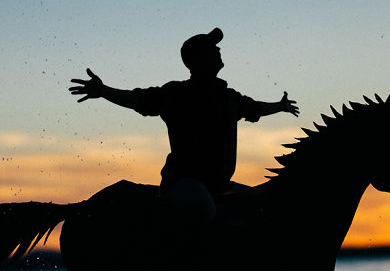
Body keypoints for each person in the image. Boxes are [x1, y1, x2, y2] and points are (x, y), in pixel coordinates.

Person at [70, 27, 298, 224]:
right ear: (199, 59)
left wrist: (280, 106)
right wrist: (104, 91)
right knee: (204, 210)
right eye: (212, 48)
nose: (219, 50)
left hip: (219, 185)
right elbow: (138, 100)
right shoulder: (176, 93)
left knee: (265, 206)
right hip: (183, 183)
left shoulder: (229, 97)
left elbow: (255, 108)